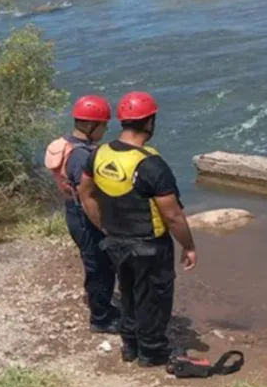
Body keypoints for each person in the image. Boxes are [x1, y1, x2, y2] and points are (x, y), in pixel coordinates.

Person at [76, 91, 197, 368]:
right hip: (149, 244)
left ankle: (130, 345)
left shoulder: (99, 154)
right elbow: (172, 215)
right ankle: (152, 353)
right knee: (153, 297)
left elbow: (86, 194)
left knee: (128, 292)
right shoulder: (151, 164)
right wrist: (188, 246)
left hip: (115, 241)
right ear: (150, 122)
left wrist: (104, 226)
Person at [44, 95, 121, 333]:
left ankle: (103, 305)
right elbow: (88, 197)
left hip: (73, 211)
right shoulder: (82, 157)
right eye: (103, 125)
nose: (105, 130)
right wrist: (105, 227)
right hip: (85, 216)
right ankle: (101, 319)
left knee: (95, 261)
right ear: (90, 125)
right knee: (100, 266)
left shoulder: (68, 144)